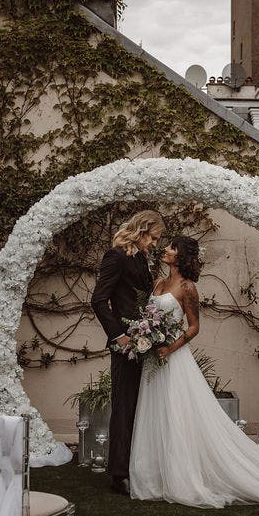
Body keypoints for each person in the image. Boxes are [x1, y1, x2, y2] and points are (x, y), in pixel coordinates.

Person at [129, 235, 259, 508]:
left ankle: (183, 475)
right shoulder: (158, 283)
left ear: (181, 256)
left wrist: (169, 348)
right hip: (153, 360)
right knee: (155, 411)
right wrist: (148, 338)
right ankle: (155, 476)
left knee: (178, 414)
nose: (165, 249)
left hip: (173, 359)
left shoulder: (187, 287)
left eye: (172, 247)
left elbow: (193, 327)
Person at [91, 210, 164, 495]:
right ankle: (119, 474)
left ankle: (138, 465)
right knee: (123, 407)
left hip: (144, 342)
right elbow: (98, 300)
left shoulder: (141, 258)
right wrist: (119, 336)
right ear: (142, 231)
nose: (155, 244)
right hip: (125, 345)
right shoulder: (116, 256)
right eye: (153, 238)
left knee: (140, 405)